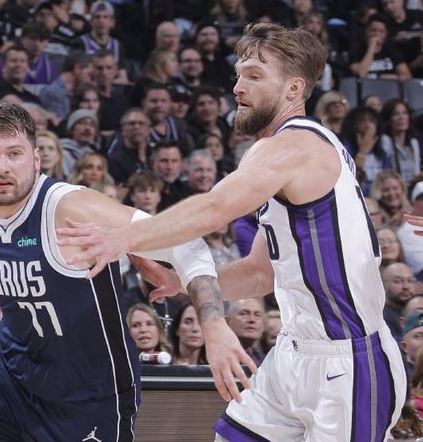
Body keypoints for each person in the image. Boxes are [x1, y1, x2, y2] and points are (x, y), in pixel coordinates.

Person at [58, 22, 407, 440]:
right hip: (294, 352)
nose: (238, 88)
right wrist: (180, 280)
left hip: (349, 360)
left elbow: (215, 207)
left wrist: (123, 238)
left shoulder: (294, 148)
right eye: (239, 75)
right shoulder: (278, 157)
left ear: (294, 89)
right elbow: (261, 271)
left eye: (255, 77)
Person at [0, 101, 249, 441]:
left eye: (14, 154)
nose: (2, 167)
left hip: (90, 398)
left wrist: (214, 325)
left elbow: (187, 245)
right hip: (11, 380)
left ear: (36, 159)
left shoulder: (71, 207)